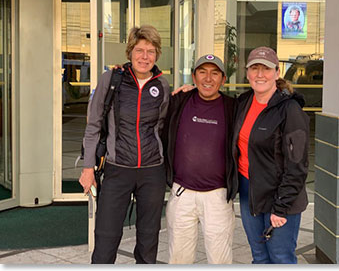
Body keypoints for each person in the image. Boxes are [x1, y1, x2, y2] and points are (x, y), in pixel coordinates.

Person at [79, 25, 170, 264]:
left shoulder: (162, 86)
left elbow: (161, 126)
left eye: (151, 51)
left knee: (149, 240)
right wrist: (88, 168)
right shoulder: (112, 80)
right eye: (139, 50)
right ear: (130, 52)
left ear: (157, 54)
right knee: (106, 238)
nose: (144, 56)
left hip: (152, 172)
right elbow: (93, 126)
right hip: (118, 170)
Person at [232, 46, 309, 264]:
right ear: (247, 74)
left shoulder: (290, 110)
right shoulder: (243, 103)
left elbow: (298, 166)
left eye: (265, 69)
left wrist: (281, 207)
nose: (259, 74)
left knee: (280, 257)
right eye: (254, 68)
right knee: (259, 256)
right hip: (250, 192)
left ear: (276, 72)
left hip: (281, 195)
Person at [163, 54, 238, 264]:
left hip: (218, 196)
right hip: (182, 193)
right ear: (193, 77)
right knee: (179, 258)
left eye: (215, 73)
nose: (208, 78)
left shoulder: (234, 107)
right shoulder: (178, 101)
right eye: (202, 72)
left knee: (219, 259)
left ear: (223, 79)